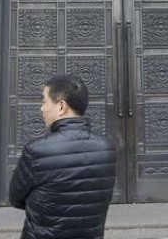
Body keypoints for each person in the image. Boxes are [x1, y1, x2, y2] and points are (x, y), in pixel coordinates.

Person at [9, 73, 116, 239]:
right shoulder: (107, 148)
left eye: (44, 101)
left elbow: (16, 198)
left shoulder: (36, 150)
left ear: (61, 106)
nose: (42, 108)